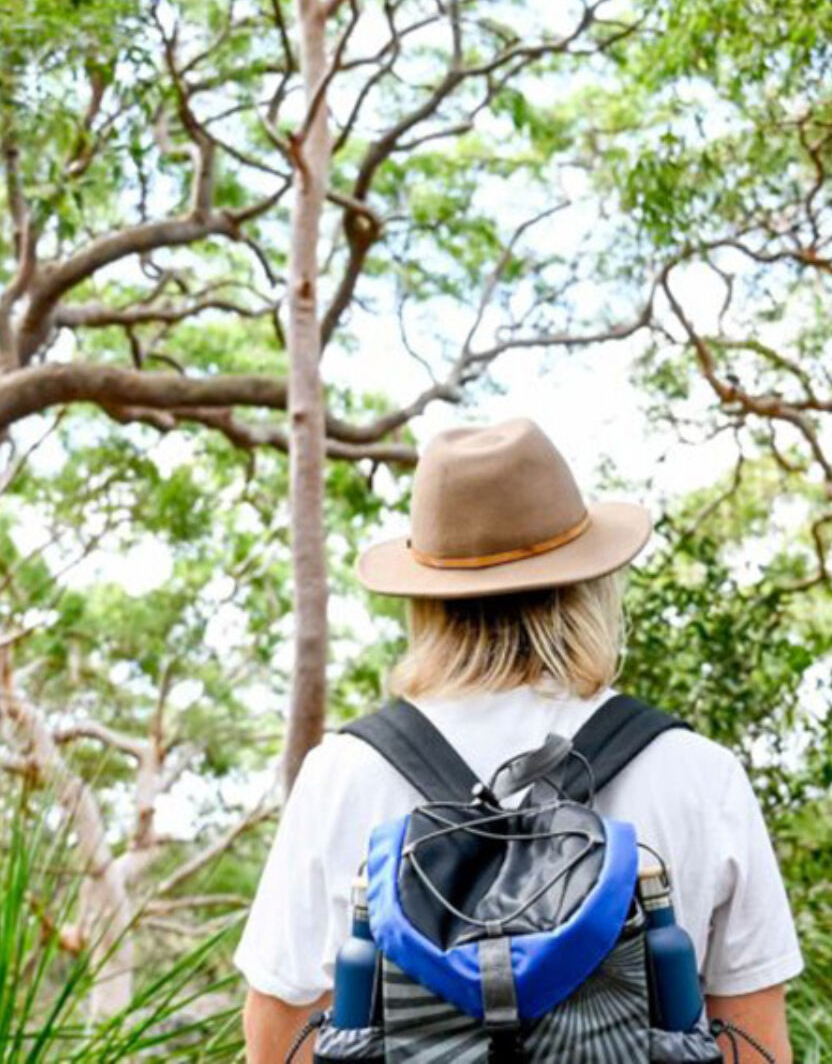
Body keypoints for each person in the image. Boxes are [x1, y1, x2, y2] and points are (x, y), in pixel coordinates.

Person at [237, 416, 801, 1063]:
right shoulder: (698, 773)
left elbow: (277, 1038)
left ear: (427, 601)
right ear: (588, 585)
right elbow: (754, 1046)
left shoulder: (343, 774)